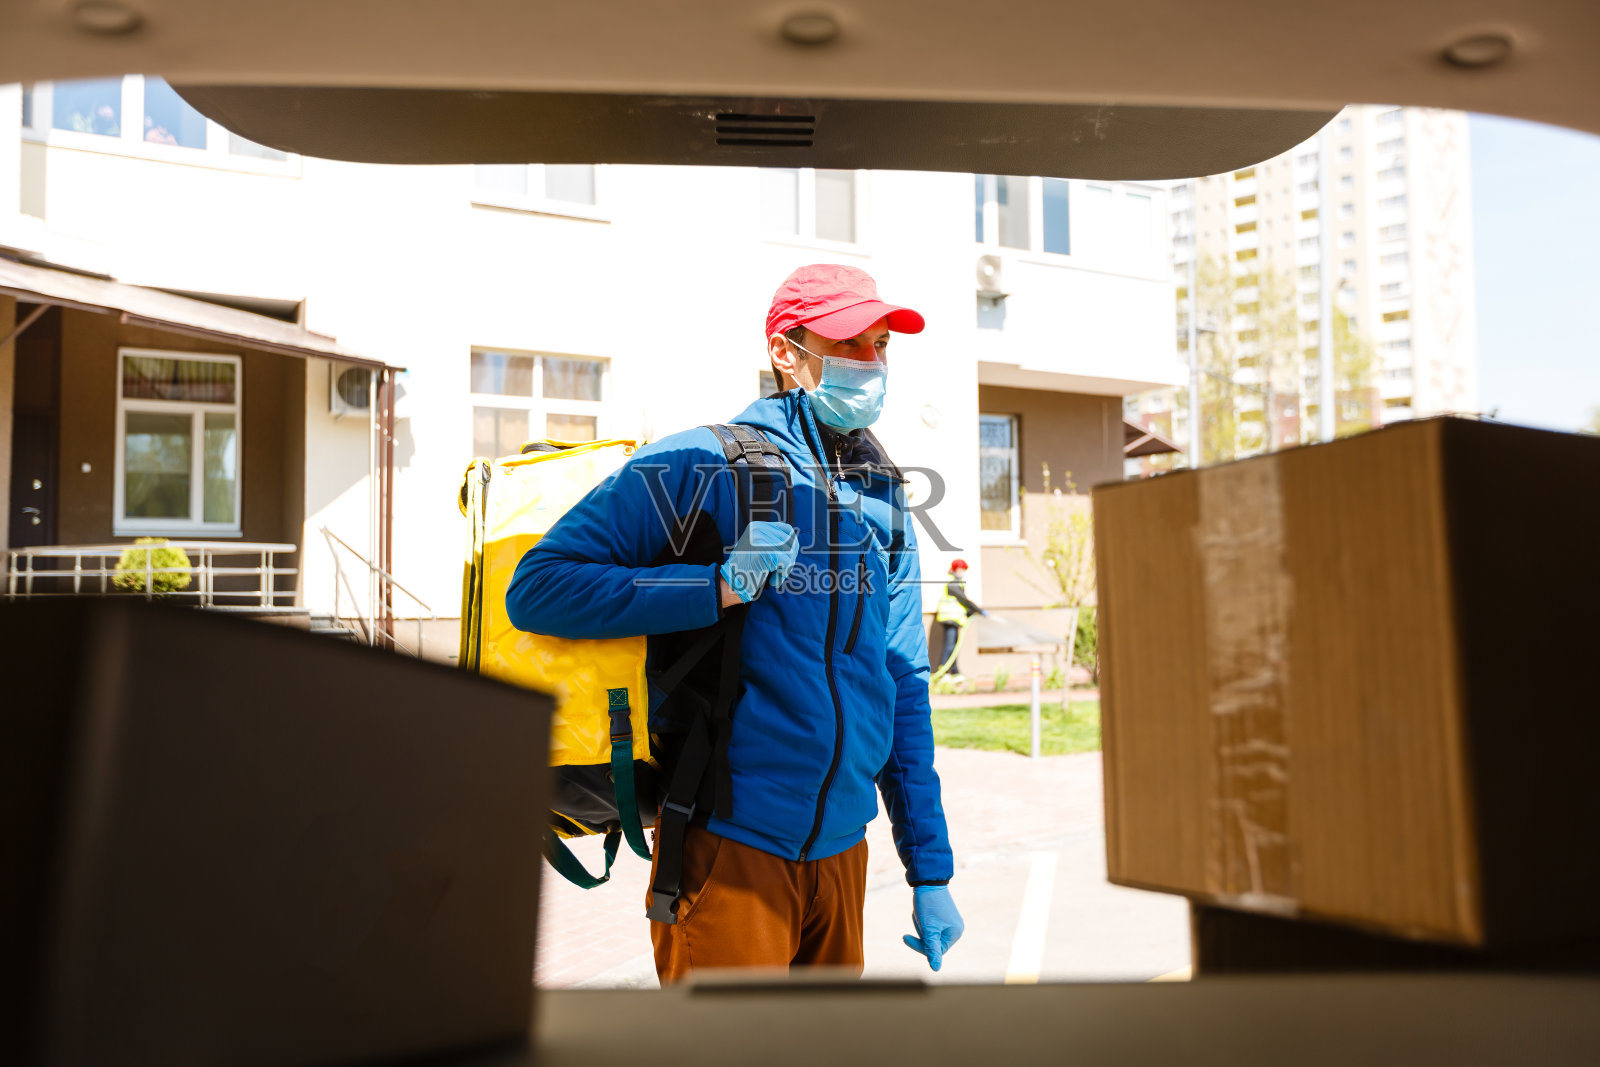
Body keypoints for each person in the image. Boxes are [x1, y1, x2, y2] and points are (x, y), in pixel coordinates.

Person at [505, 264, 963, 983]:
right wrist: (712, 587)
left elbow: (902, 683)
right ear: (787, 350)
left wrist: (928, 868)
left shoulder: (884, 497)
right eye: (849, 344)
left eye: (880, 345)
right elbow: (539, 587)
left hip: (845, 856)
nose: (871, 364)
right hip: (731, 846)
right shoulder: (705, 463)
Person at [933, 559, 986, 680]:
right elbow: (964, 600)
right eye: (961, 570)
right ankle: (944, 673)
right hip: (949, 618)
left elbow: (960, 603)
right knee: (950, 646)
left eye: (964, 570)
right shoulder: (953, 584)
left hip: (954, 619)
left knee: (954, 647)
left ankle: (955, 672)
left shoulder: (957, 583)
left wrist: (970, 612)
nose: (962, 572)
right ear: (955, 570)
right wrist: (978, 610)